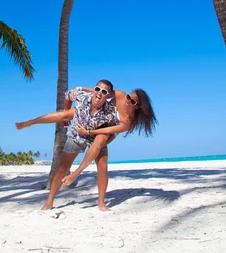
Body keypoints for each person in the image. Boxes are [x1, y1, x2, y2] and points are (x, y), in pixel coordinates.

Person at [15, 80, 119, 211]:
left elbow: (114, 133)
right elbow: (67, 95)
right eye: (97, 89)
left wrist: (102, 143)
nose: (99, 94)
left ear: (108, 95)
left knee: (103, 167)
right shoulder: (82, 97)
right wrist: (66, 114)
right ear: (94, 89)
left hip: (96, 137)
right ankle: (49, 201)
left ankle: (101, 203)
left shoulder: (110, 112)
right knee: (62, 168)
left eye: (104, 92)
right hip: (77, 135)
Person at [61, 88, 157, 186]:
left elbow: (108, 130)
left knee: (100, 141)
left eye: (132, 101)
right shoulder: (120, 95)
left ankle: (76, 173)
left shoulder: (130, 122)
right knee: (65, 115)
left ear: (137, 106)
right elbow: (101, 91)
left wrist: (88, 132)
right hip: (104, 117)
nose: (128, 101)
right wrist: (81, 88)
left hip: (111, 128)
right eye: (128, 97)